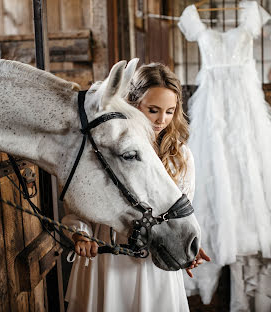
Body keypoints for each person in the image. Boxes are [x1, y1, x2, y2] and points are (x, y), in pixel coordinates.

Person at [62, 63, 210, 312]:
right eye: (153, 110)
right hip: (107, 261)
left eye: (170, 111)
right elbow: (80, 203)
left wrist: (184, 246)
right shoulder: (107, 148)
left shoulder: (179, 157)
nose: (161, 120)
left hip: (152, 265)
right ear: (132, 103)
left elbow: (178, 214)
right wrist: (80, 233)